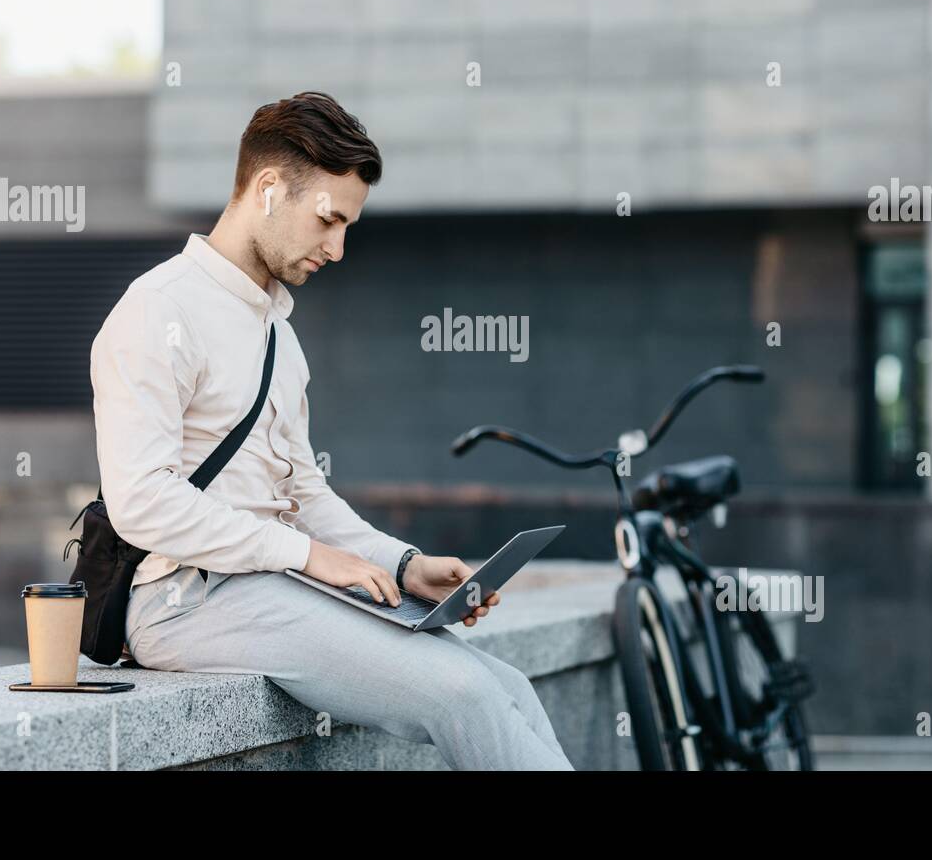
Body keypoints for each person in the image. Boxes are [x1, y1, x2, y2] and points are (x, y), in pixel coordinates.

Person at [91, 91, 573, 770]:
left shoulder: (276, 335)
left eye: (347, 226)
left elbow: (306, 495)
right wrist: (305, 556)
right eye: (327, 220)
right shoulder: (156, 311)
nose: (338, 248)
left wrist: (403, 566)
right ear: (266, 190)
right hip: (182, 601)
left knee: (508, 687)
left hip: (269, 586)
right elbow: (143, 500)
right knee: (460, 692)